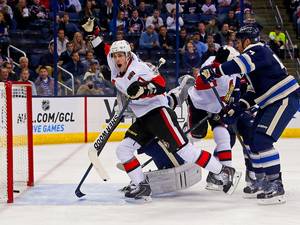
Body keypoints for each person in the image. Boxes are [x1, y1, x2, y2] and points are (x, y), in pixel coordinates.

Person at [107, 40, 241, 202]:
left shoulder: (139, 68)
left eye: (120, 55)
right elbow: (104, 50)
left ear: (128, 56)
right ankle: (141, 185)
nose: (117, 59)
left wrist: (144, 89)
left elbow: (160, 84)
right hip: (144, 118)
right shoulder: (116, 67)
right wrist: (94, 34)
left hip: (159, 114)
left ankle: (223, 171)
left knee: (186, 151)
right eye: (115, 56)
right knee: (123, 149)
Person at [199, 25, 300, 205]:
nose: (237, 45)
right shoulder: (255, 62)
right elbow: (253, 93)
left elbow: (239, 64)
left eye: (238, 41)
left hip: (283, 98)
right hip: (272, 100)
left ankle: (275, 184)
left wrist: (215, 71)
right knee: (253, 139)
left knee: (262, 140)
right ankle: (261, 180)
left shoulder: (258, 50)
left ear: (246, 40)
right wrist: (236, 108)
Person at [170, 45, 241, 191]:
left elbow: (233, 91)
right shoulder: (210, 62)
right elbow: (201, 84)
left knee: (224, 136)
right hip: (198, 104)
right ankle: (183, 146)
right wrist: (215, 67)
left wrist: (231, 105)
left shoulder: (235, 73)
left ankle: (225, 173)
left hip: (217, 107)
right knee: (197, 135)